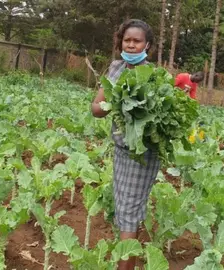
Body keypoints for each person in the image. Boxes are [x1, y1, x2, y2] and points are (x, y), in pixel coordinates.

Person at [91, 19, 157, 270]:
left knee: (128, 212)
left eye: (136, 41)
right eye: (127, 40)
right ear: (121, 42)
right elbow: (96, 108)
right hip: (121, 149)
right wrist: (112, 102)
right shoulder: (115, 68)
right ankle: (130, 262)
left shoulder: (154, 75)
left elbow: (156, 118)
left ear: (146, 45)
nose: (131, 45)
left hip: (141, 153)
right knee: (126, 208)